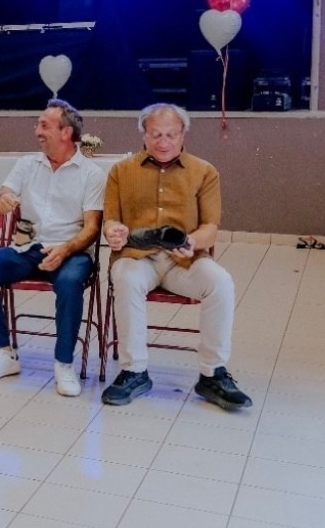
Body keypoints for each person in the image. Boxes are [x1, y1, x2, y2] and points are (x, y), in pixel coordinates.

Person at [102, 103, 251, 410]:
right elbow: (111, 220)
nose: (163, 142)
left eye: (171, 134)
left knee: (220, 282)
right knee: (125, 278)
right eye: (156, 134)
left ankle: (212, 374)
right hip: (137, 257)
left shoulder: (204, 171)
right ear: (144, 134)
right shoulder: (120, 171)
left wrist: (192, 241)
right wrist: (113, 231)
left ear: (183, 134)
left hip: (183, 260)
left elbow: (211, 228)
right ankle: (134, 371)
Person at [0, 100, 104, 396]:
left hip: (72, 251)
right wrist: (0, 201)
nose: (37, 131)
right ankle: (2, 353)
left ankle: (64, 364)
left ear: (66, 132)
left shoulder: (91, 173)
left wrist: (65, 250)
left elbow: (92, 228)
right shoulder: (27, 164)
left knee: (69, 282)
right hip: (27, 248)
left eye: (44, 125)